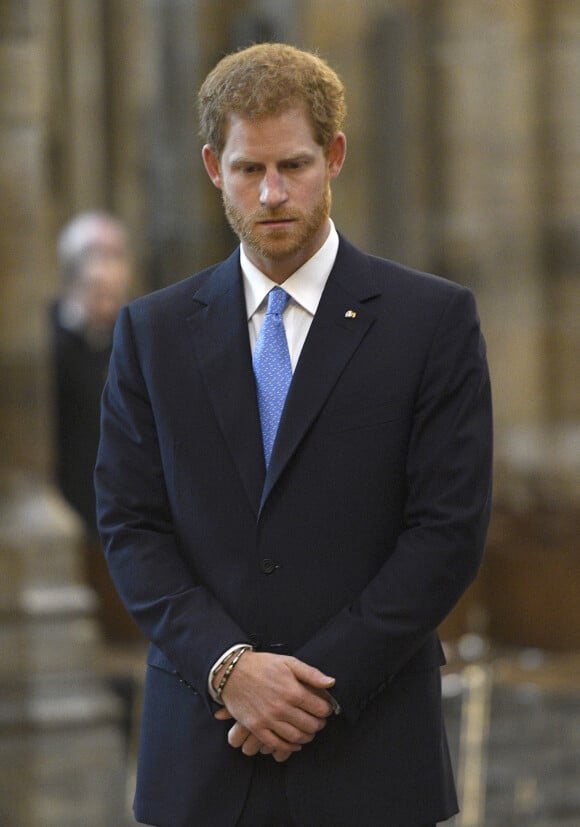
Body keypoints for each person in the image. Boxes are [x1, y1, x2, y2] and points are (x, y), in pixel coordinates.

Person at [95, 43, 493, 827]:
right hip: (203, 756)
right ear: (214, 167)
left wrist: (315, 686)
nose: (273, 193)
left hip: (372, 751)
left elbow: (446, 531)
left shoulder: (430, 321)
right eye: (249, 170)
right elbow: (130, 524)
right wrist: (230, 668)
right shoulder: (153, 332)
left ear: (334, 156)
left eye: (294, 165)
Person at [51, 210, 137, 639]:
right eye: (97, 291)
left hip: (115, 504)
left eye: (114, 291)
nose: (108, 302)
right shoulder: (47, 338)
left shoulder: (130, 336)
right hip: (67, 500)